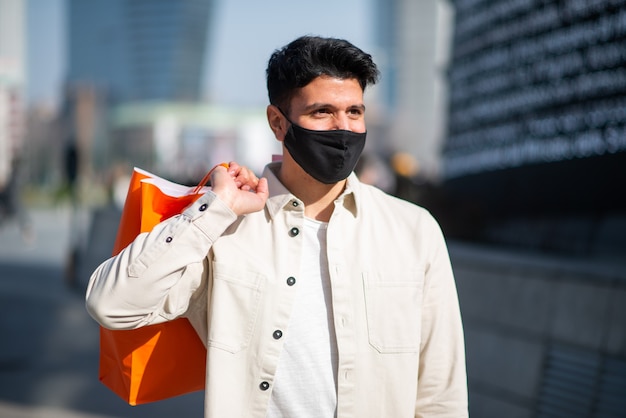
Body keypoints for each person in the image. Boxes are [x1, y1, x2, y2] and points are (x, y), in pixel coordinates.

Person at [86, 35, 468, 417]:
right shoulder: (226, 232)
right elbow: (111, 304)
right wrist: (212, 210)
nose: (344, 128)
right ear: (277, 122)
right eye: (322, 112)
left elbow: (439, 393)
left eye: (355, 111)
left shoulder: (413, 231)